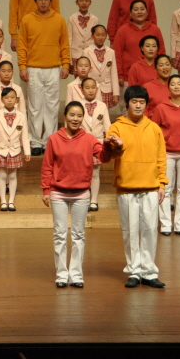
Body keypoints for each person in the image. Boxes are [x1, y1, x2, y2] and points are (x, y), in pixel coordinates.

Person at [103, 85, 167, 288]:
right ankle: (134, 270)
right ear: (127, 103)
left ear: (146, 105)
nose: (138, 106)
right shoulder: (116, 127)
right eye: (134, 102)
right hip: (127, 186)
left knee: (150, 229)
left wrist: (162, 183)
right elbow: (110, 155)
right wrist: (118, 146)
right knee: (130, 231)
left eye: (142, 102)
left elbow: (161, 157)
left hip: (150, 186)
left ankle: (148, 271)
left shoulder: (154, 128)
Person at [42, 101, 104, 287]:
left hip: (81, 193)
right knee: (60, 234)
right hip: (58, 193)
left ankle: (76, 274)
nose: (75, 119)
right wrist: (46, 189)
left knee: (78, 235)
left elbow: (104, 156)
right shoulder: (54, 139)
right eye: (72, 115)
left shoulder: (90, 139)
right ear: (65, 117)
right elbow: (47, 165)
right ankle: (62, 274)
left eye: (79, 116)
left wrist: (111, 146)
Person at [17, 0, 70, 156]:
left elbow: (64, 44)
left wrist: (66, 64)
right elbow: (22, 45)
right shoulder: (27, 19)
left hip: (54, 68)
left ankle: (50, 141)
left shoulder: (59, 20)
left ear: (51, 1)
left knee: (52, 106)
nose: (43, 2)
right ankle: (35, 141)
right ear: (35, 0)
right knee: (34, 106)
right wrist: (22, 66)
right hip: (33, 68)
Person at [150, 74, 180, 236]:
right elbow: (154, 131)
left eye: (179, 84)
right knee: (166, 189)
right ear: (168, 87)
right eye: (173, 84)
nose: (176, 86)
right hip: (166, 153)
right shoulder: (161, 108)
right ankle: (165, 224)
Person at [0, 87, 29, 211]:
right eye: (6, 98)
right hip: (1, 149)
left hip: (15, 150)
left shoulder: (21, 116)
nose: (10, 100)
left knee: (12, 176)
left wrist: (27, 151)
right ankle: (3, 201)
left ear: (17, 99)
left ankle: (11, 201)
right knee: (2, 175)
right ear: (2, 99)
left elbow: (25, 134)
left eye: (12, 97)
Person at [77, 77, 110, 211]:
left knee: (95, 173)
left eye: (93, 87)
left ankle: (94, 200)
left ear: (97, 89)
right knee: (81, 173)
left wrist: (109, 142)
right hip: (81, 144)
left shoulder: (102, 106)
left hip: (97, 143)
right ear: (81, 89)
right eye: (87, 88)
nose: (90, 90)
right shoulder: (77, 105)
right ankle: (83, 198)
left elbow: (107, 126)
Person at [115, 1, 165, 88]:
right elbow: (117, 54)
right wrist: (119, 74)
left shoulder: (155, 29)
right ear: (130, 13)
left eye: (142, 9)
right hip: (127, 77)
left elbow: (161, 52)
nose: (139, 12)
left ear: (147, 12)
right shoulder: (123, 30)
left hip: (154, 77)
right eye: (136, 9)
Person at [84, 25, 119, 109]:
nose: (100, 37)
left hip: (106, 88)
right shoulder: (86, 52)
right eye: (98, 35)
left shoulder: (111, 52)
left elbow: (114, 73)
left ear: (106, 36)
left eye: (103, 35)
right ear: (92, 36)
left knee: (105, 112)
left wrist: (116, 93)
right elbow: (84, 73)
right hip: (92, 88)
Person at [67, 0, 99, 69]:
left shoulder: (95, 19)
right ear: (76, 2)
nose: (84, 3)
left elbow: (96, 39)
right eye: (81, 0)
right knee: (77, 76)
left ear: (90, 2)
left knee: (90, 75)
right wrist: (69, 60)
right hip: (75, 54)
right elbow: (69, 39)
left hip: (90, 54)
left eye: (86, 0)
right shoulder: (71, 19)